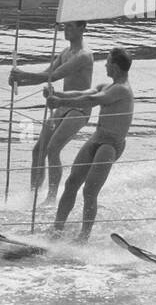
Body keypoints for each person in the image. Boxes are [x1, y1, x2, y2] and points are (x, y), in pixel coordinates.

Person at [48, 46, 134, 239]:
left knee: (89, 191)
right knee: (71, 183)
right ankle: (56, 229)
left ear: (117, 67)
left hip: (110, 145)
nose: (105, 65)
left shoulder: (122, 90)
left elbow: (92, 99)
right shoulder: (107, 85)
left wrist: (60, 103)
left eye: (108, 62)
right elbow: (83, 92)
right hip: (97, 138)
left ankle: (83, 237)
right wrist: (58, 95)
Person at [9, 21, 94, 205]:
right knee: (38, 150)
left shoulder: (83, 56)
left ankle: (51, 199)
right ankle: (33, 197)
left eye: (71, 26)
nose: (66, 30)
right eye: (66, 26)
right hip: (61, 105)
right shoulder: (65, 52)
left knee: (53, 148)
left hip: (78, 108)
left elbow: (55, 77)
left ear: (82, 29)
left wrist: (21, 73)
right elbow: (47, 72)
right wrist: (19, 82)